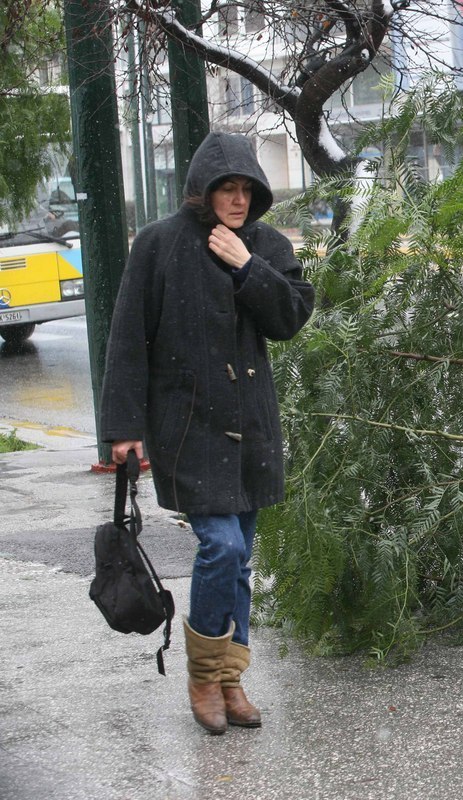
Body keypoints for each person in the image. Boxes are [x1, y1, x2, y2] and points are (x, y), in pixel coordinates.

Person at [101, 132, 314, 735]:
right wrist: (123, 429)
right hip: (187, 428)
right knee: (221, 546)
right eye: (228, 188)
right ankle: (203, 675)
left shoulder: (266, 245)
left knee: (242, 558)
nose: (239, 200)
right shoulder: (158, 245)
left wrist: (248, 267)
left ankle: (231, 677)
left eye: (247, 189)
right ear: (203, 190)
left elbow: (291, 317)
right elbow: (126, 340)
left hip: (252, 428)